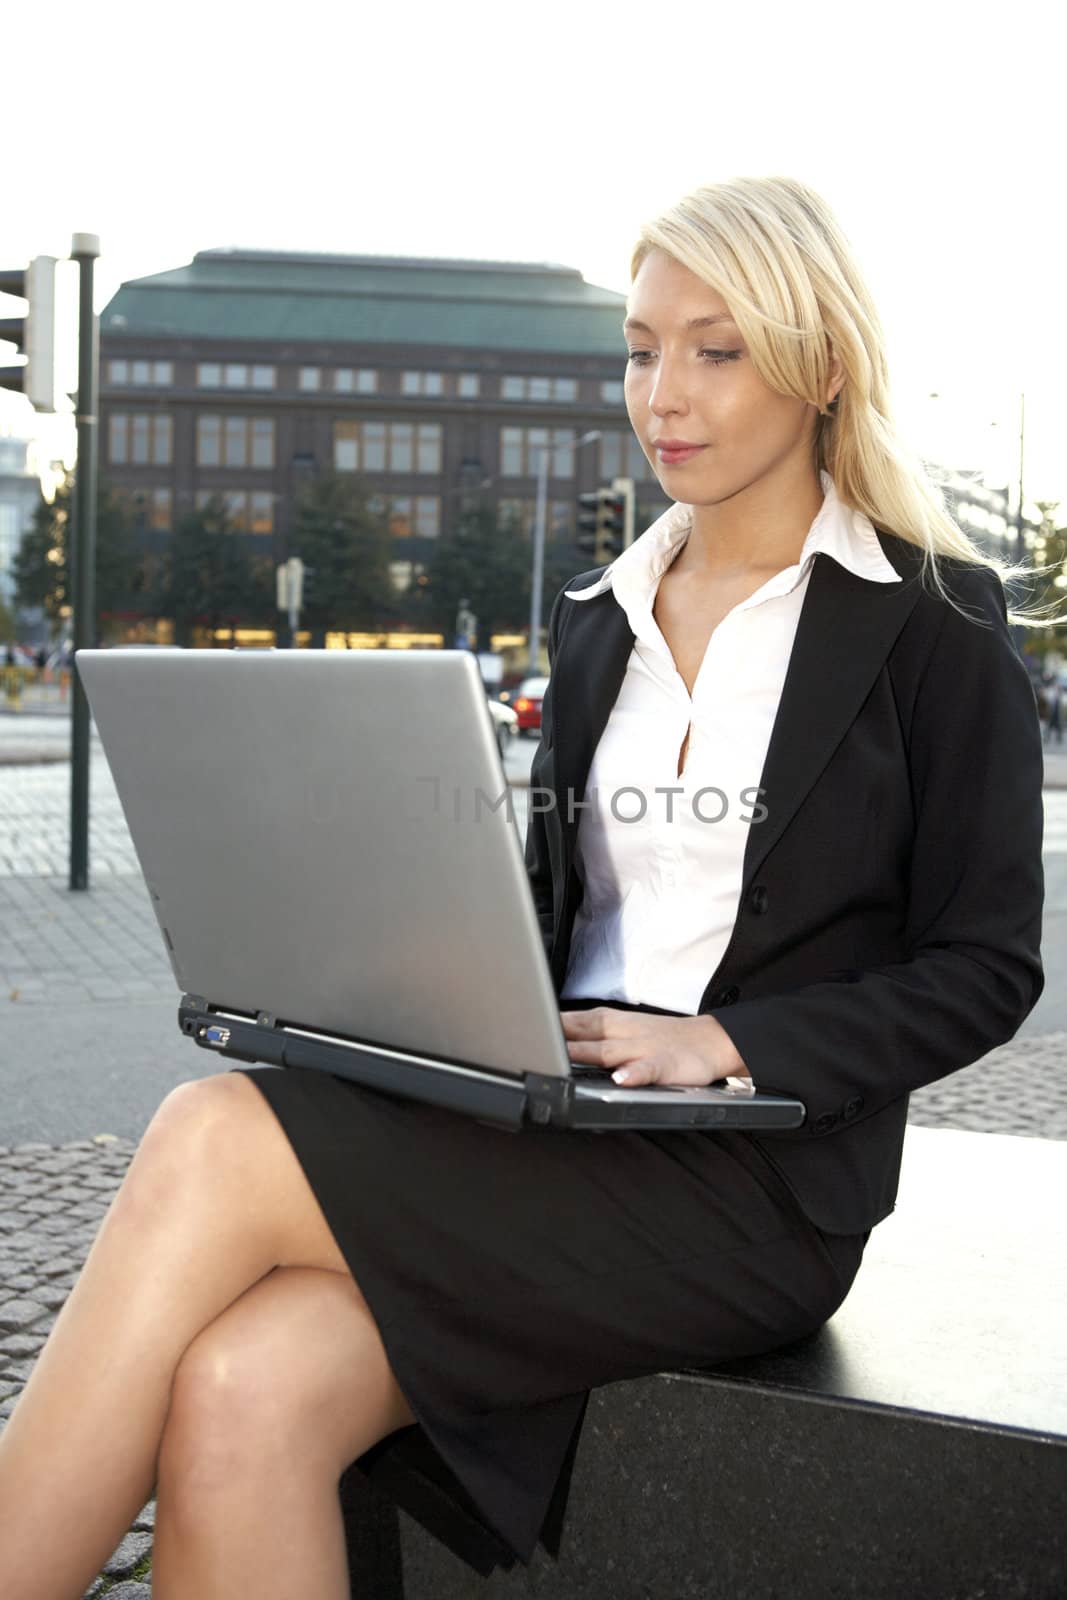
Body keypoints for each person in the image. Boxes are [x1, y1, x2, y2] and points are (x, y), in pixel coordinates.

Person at [0, 176, 1047, 1599]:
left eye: (715, 349)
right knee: (243, 1392)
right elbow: (556, 906)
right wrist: (409, 967)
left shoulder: (936, 624)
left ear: (822, 366)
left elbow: (986, 963)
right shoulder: (598, 619)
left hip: (755, 1184)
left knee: (212, 1139)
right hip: (555, 1124)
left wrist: (726, 1045)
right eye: (639, 348)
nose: (661, 392)